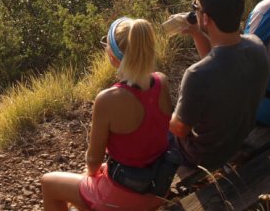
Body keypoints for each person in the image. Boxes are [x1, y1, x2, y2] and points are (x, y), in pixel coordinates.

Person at [41, 17, 174, 211]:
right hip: (158, 187)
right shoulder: (161, 82)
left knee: (49, 182)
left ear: (113, 57)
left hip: (126, 196)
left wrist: (91, 173)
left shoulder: (108, 99)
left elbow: (93, 160)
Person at [168, 0, 270, 169]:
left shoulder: (196, 75)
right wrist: (197, 33)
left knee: (162, 124)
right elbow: (219, 61)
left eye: (195, 6)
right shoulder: (256, 45)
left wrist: (165, 111)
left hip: (205, 156)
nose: (193, 11)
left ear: (205, 18)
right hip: (238, 137)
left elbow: (179, 129)